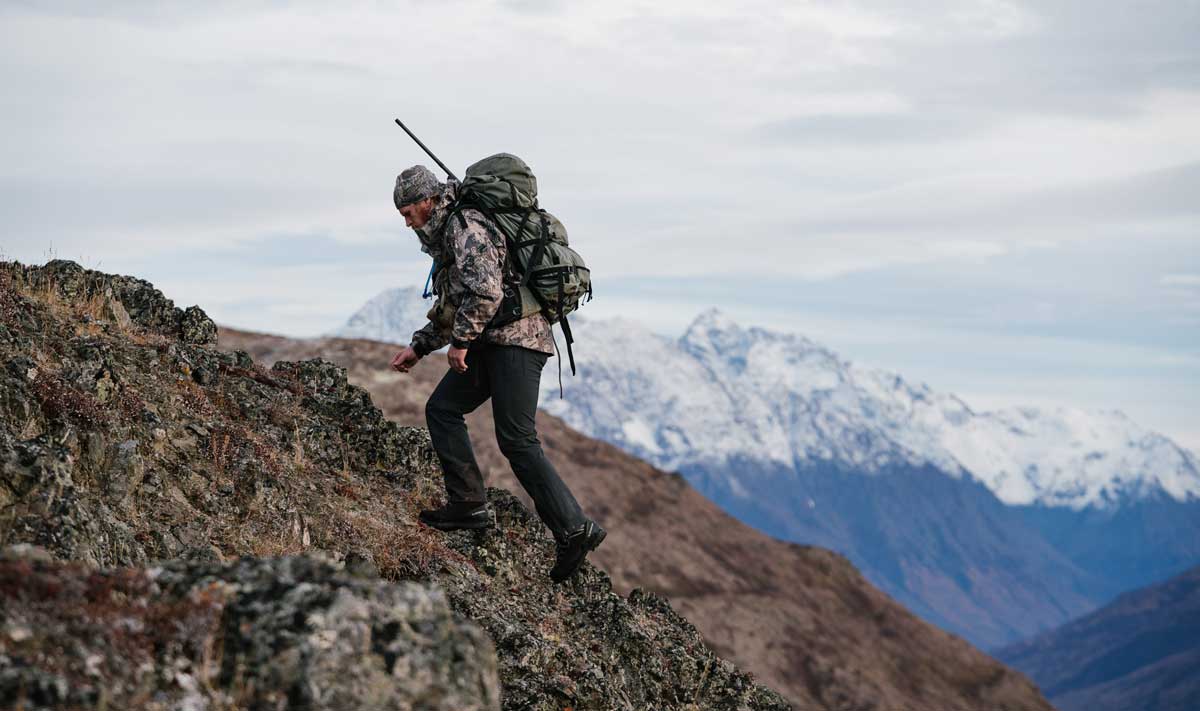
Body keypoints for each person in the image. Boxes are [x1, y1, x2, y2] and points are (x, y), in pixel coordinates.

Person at [388, 164, 605, 583]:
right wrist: (419, 347)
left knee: (517, 439)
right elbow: (457, 302)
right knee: (443, 409)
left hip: (519, 341)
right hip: (496, 340)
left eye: (408, 210)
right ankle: (468, 505)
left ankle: (575, 528)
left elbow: (486, 291)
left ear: (427, 200)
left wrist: (462, 342)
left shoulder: (465, 225)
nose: (406, 220)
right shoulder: (449, 231)